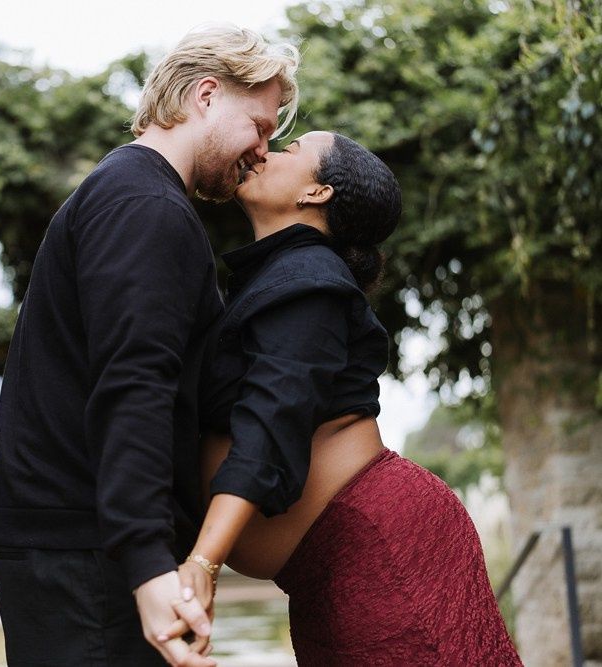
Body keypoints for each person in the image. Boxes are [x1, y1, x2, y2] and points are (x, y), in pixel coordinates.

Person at [0, 25, 300, 667]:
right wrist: (148, 563)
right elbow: (134, 385)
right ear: (206, 96)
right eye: (260, 126)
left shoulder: (134, 194)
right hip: (89, 559)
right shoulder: (143, 204)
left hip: (81, 548)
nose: (262, 151)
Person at [170, 131, 523, 665]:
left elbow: (272, 420)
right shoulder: (279, 276)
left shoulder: (309, 279)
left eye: (289, 151)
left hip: (378, 548)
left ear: (317, 193)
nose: (264, 151)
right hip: (334, 565)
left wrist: (204, 561)